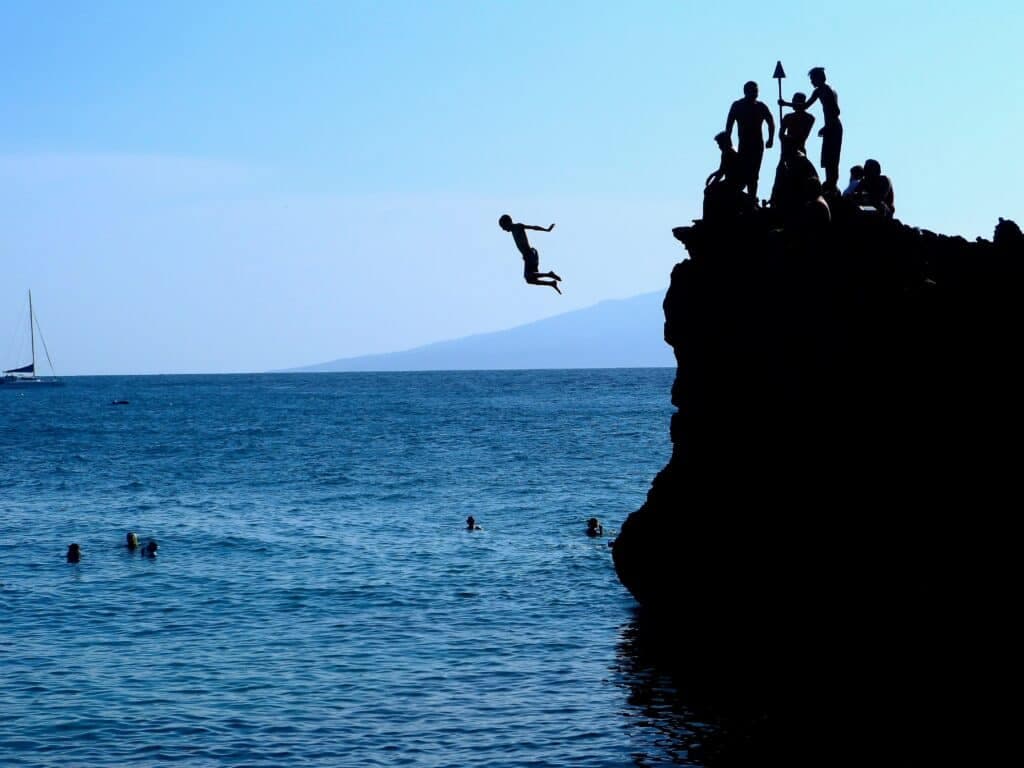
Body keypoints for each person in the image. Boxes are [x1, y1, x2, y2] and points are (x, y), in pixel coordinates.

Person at [781, 68, 842, 192]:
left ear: (818, 78)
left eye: (812, 79)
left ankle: (832, 183)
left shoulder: (827, 91)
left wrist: (786, 103)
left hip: (833, 127)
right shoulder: (819, 91)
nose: (811, 82)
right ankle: (830, 181)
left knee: (832, 158)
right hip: (830, 127)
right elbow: (805, 106)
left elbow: (836, 111)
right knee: (827, 158)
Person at [726, 81, 775, 198]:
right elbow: (729, 124)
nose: (755, 93)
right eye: (752, 90)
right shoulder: (737, 105)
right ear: (746, 92)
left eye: (756, 90)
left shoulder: (761, 106)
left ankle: (751, 197)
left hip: (757, 145)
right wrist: (728, 141)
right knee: (743, 172)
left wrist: (771, 139)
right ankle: (742, 197)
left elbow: (771, 122)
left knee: (754, 174)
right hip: (744, 144)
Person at [498, 215, 562, 293]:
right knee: (530, 279)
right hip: (528, 255)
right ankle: (551, 283)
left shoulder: (518, 226)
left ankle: (549, 275)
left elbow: (533, 227)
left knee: (528, 276)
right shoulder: (514, 230)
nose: (503, 229)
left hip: (530, 253)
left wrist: (546, 229)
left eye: (503, 227)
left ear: (507, 223)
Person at [779, 92, 815, 160]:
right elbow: (781, 135)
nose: (793, 102)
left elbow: (802, 137)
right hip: (787, 150)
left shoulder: (809, 118)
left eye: (795, 101)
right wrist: (785, 139)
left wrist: (785, 103)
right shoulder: (787, 117)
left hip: (799, 149)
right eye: (793, 100)